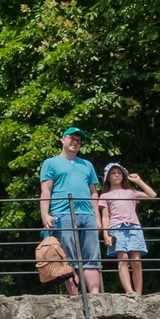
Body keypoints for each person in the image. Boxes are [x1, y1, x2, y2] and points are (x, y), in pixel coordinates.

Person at [37, 126, 102, 294]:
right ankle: (75, 297)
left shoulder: (87, 164)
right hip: (62, 213)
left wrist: (98, 218)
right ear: (63, 140)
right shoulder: (50, 163)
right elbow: (46, 190)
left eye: (78, 140)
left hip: (88, 215)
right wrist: (45, 214)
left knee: (92, 257)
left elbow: (94, 193)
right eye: (71, 138)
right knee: (67, 258)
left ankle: (94, 297)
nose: (75, 142)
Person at [101, 163, 156, 296]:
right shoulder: (105, 196)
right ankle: (129, 291)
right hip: (116, 227)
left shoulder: (131, 192)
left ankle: (139, 292)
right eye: (113, 173)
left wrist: (138, 181)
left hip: (133, 227)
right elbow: (105, 217)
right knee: (123, 259)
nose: (116, 175)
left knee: (136, 260)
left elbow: (152, 195)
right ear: (107, 177)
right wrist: (105, 234)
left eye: (119, 173)